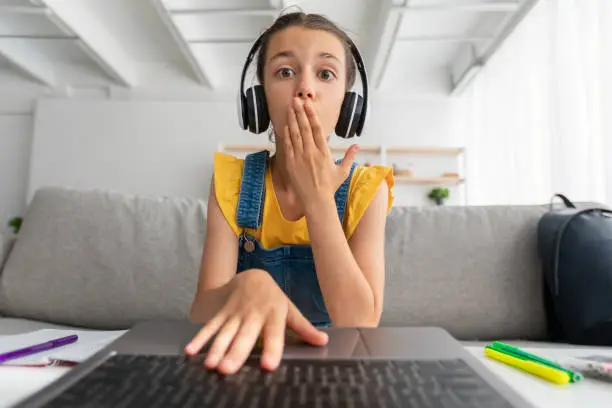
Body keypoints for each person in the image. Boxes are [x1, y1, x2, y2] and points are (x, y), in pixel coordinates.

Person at [184, 10, 395, 375]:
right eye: (285, 71)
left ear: (348, 105)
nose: (305, 88)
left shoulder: (367, 190)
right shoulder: (230, 181)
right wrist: (248, 283)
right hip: (247, 367)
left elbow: (360, 323)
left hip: (337, 371)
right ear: (259, 98)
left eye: (325, 73)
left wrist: (317, 199)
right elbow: (201, 313)